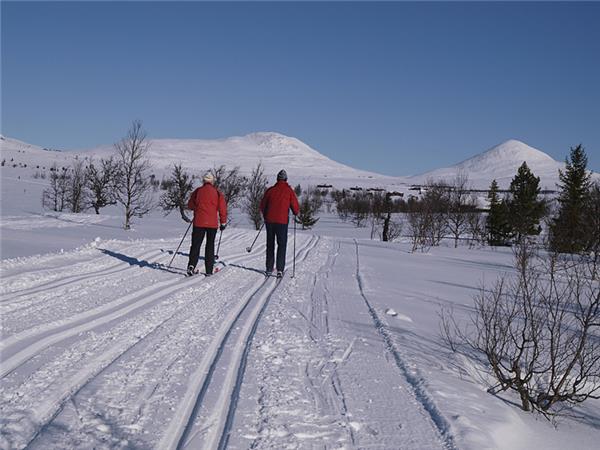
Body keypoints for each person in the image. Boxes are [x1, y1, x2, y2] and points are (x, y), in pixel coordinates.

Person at [259, 169, 300, 277]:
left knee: (270, 244)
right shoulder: (289, 191)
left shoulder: (270, 190)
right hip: (282, 222)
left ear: (277, 179)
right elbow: (295, 208)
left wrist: (265, 215)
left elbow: (262, 205)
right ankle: (280, 269)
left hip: (270, 221)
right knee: (282, 245)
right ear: (286, 179)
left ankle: (269, 268)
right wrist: (295, 212)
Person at [186, 172, 227, 276]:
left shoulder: (198, 191)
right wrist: (223, 222)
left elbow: (190, 205)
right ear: (212, 181)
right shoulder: (217, 193)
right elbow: (222, 208)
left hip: (199, 222)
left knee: (196, 244)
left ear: (203, 181)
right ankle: (209, 269)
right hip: (212, 224)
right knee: (210, 245)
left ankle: (191, 265)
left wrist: (198, 208)